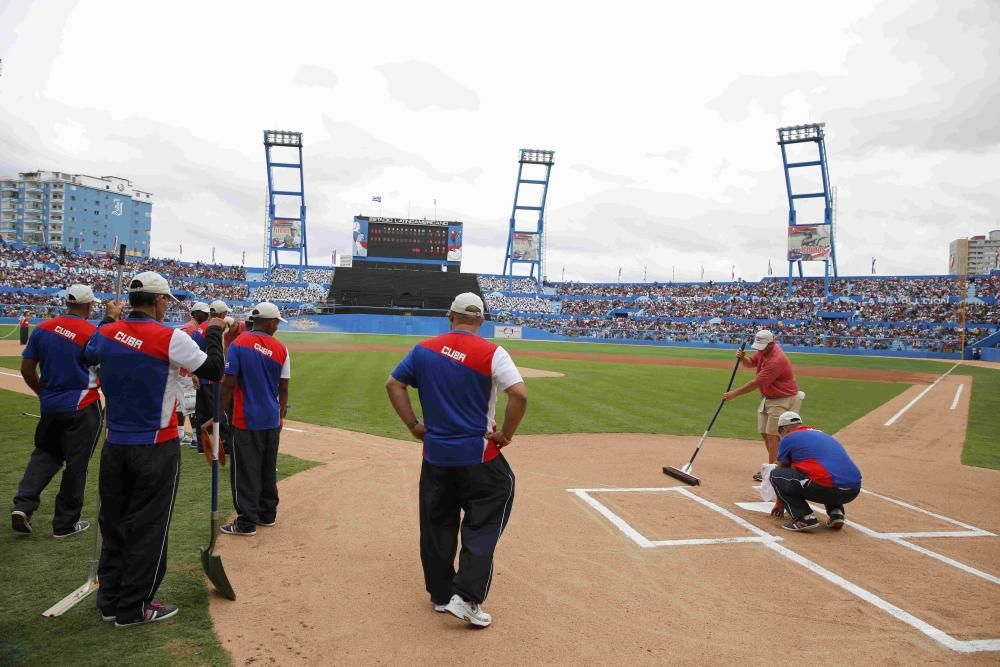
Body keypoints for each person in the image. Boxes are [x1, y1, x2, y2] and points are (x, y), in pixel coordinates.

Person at [83, 272, 225, 628]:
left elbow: (88, 355)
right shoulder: (170, 337)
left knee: (114, 523)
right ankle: (134, 606)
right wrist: (214, 332)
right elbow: (214, 370)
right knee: (148, 527)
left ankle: (110, 601)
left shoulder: (104, 332)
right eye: (166, 302)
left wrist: (109, 320)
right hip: (156, 446)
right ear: (159, 301)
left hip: (115, 443)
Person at [385, 292, 528, 628]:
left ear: (451, 315)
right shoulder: (493, 352)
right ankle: (465, 598)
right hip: (479, 456)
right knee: (484, 523)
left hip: (436, 455)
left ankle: (440, 595)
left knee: (436, 524)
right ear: (479, 320)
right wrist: (506, 433)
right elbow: (519, 394)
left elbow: (394, 385)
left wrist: (414, 426)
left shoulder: (423, 351)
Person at [11, 285, 121, 537]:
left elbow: (27, 369)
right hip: (83, 406)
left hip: (51, 405)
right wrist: (111, 319)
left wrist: (42, 393)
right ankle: (65, 523)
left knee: (45, 454)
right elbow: (103, 353)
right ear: (88, 306)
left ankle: (23, 505)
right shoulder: (90, 331)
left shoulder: (42, 329)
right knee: (76, 465)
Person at [210, 302, 291, 536]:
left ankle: (246, 522)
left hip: (246, 419)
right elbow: (283, 389)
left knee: (246, 470)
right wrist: (281, 414)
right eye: (276, 322)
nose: (277, 326)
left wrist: (217, 414)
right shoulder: (281, 349)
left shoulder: (238, 344)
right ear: (267, 322)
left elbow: (228, 385)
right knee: (267, 467)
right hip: (270, 419)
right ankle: (267, 515)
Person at [722, 329, 804, 479]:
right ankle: (778, 465)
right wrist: (742, 359)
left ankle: (773, 471)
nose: (759, 349)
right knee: (765, 433)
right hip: (768, 398)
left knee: (773, 435)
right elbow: (751, 363)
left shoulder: (776, 359)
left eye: (762, 346)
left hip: (783, 399)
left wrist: (734, 394)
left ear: (771, 343)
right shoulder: (763, 351)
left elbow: (756, 382)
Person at [768, 411, 862, 532]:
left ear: (784, 429)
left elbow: (781, 469)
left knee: (776, 474)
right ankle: (836, 512)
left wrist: (780, 503)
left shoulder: (789, 438)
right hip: (853, 490)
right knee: (827, 473)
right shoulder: (824, 435)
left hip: (825, 488)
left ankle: (804, 518)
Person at [177, 302, 209, 448]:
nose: (207, 315)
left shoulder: (194, 327)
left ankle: (180, 434)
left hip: (184, 372)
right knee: (192, 405)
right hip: (188, 373)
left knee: (181, 405)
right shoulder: (190, 328)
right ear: (195, 313)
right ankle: (196, 437)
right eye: (203, 312)